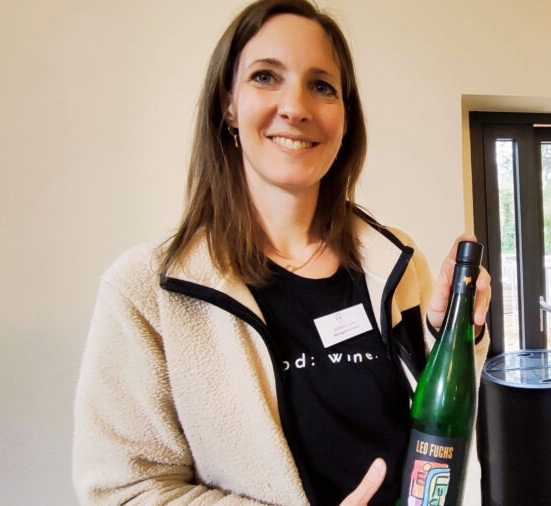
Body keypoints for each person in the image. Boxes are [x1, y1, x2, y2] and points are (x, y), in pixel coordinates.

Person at [72, 0, 491, 504]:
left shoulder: (397, 261)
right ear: (228, 105)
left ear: (345, 118)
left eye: (322, 86)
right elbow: (123, 491)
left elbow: (439, 422)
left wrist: (451, 332)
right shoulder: (146, 293)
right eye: (266, 77)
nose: (296, 107)